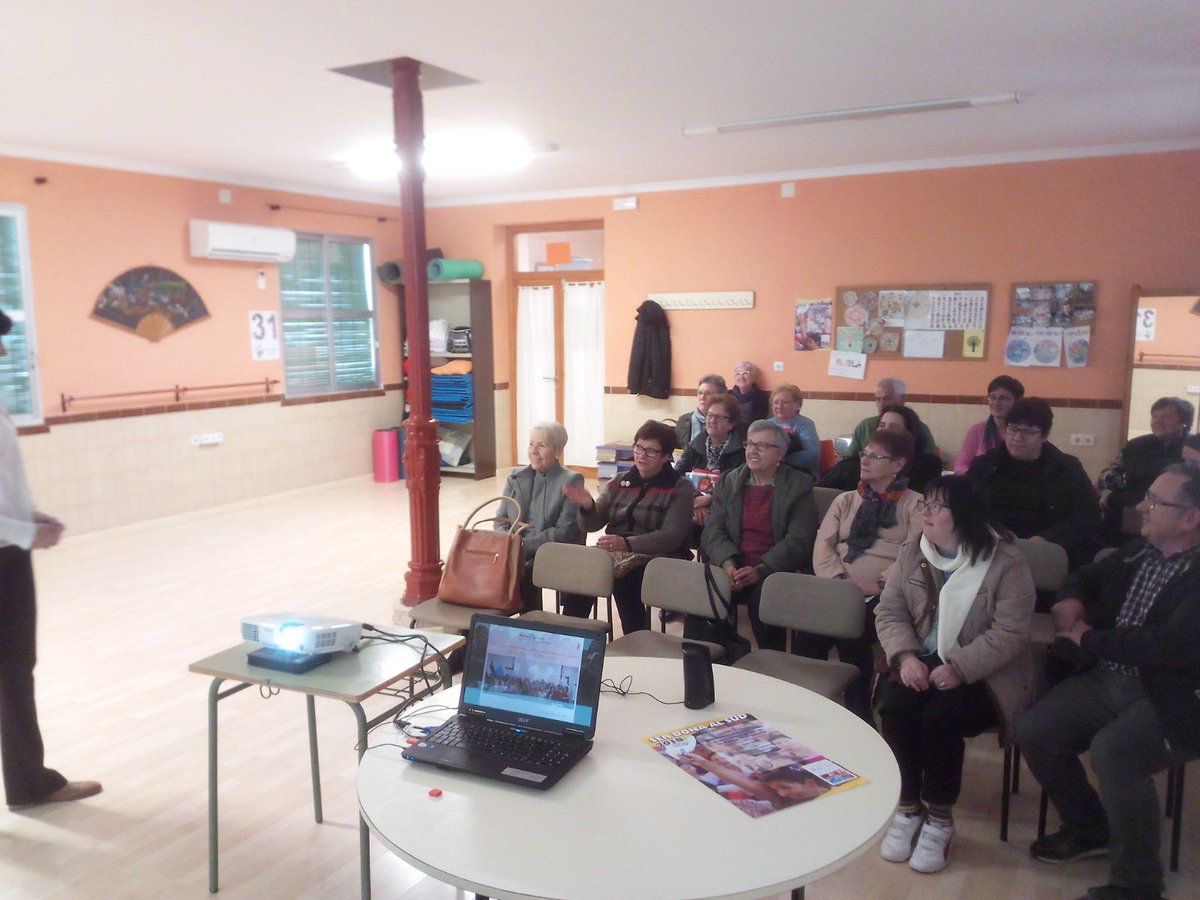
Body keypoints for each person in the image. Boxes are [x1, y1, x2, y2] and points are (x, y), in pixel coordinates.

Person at [1014, 464, 1200, 900]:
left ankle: (1139, 885)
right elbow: (1086, 573)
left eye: (1155, 501)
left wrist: (1091, 638)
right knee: (1033, 731)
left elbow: (1171, 646)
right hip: (1109, 677)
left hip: (1173, 694)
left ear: (1190, 519)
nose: (1141, 507)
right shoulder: (1142, 551)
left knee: (1115, 752)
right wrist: (1071, 599)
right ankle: (1090, 827)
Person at [874, 475, 1037, 874]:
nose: (924, 513)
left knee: (941, 718)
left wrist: (961, 668)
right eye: (924, 504)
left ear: (963, 516)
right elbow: (889, 609)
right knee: (895, 707)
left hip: (986, 670)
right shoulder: (916, 550)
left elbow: (1011, 632)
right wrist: (906, 656)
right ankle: (909, 806)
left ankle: (941, 819)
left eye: (936, 507)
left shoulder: (1006, 560)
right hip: (924, 658)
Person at [0, 310, 101, 810]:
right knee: (12, 669)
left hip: (9, 552)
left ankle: (27, 782)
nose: (2, 353)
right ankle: (27, 781)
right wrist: (22, 531)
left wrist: (28, 516)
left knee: (15, 669)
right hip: (4, 553)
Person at [807, 428, 924, 721]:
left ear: (898, 465)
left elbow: (913, 552)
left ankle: (858, 711)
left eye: (876, 455)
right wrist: (839, 581)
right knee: (809, 628)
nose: (865, 460)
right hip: (837, 587)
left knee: (852, 627)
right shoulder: (846, 500)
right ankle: (810, 702)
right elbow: (823, 545)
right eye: (864, 453)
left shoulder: (915, 504)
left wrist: (879, 583)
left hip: (885, 592)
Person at [699, 420, 819, 650]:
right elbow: (713, 530)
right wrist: (727, 564)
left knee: (763, 605)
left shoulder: (798, 485)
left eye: (761, 446)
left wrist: (761, 570)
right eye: (750, 443)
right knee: (701, 601)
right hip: (732, 566)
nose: (752, 450)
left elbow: (799, 540)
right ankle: (713, 663)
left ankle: (771, 665)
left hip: (774, 570)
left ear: (780, 455)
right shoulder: (729, 480)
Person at [566, 420, 693, 634]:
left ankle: (636, 641)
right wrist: (587, 506)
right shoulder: (619, 481)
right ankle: (571, 636)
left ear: (665, 456)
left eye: (651, 451)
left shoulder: (680, 487)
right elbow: (592, 524)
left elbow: (671, 536)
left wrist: (626, 543)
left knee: (626, 579)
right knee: (584, 568)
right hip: (617, 553)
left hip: (660, 556)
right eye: (638, 447)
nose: (641, 455)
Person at [967, 397, 1100, 574]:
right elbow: (965, 506)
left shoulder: (1066, 468)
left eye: (1028, 432)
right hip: (990, 548)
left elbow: (1088, 513)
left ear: (1044, 436)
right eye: (1012, 429)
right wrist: (994, 532)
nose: (1017, 438)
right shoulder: (984, 465)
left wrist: (1045, 539)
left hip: (1045, 552)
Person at [496, 422, 586, 613]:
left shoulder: (571, 480)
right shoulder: (515, 477)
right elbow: (500, 520)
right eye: (531, 444)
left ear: (558, 451)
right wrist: (509, 543)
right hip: (514, 549)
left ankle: (532, 624)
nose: (533, 451)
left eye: (542, 445)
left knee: (526, 568)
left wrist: (521, 547)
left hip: (554, 551)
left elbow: (564, 532)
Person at [1097, 396, 1194, 546]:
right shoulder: (1136, 445)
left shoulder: (1192, 449)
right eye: (1154, 416)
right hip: (1124, 514)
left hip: (1170, 518)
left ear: (1185, 421)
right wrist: (1121, 480)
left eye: (1166, 417)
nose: (1157, 421)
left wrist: (1134, 478)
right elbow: (1108, 474)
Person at [819, 405, 942, 494]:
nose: (884, 430)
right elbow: (820, 493)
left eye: (893, 427)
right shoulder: (852, 466)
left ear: (910, 433)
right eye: (881, 425)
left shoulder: (928, 465)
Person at [675, 393, 745, 526]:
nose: (712, 420)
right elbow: (676, 475)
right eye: (710, 415)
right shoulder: (694, 446)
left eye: (719, 417)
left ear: (731, 424)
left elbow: (738, 487)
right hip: (693, 505)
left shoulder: (741, 451)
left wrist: (711, 499)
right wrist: (696, 500)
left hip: (725, 509)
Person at [844, 377, 938, 458]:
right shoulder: (866, 426)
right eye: (878, 399)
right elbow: (849, 459)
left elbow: (930, 463)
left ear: (903, 399)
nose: (881, 404)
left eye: (887, 399)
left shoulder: (920, 428)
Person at [952, 375, 1026, 474]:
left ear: (1017, 401)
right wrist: (974, 477)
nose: (996, 402)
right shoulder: (977, 429)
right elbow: (960, 465)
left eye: (1003, 398)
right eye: (992, 397)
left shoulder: (1024, 432)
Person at [768, 384, 820, 474]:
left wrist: (780, 459)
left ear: (798, 405)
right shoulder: (767, 424)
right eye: (775, 402)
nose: (779, 406)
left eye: (784, 402)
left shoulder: (805, 424)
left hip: (798, 473)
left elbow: (813, 456)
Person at [675, 374, 727, 451]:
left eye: (708, 393)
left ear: (720, 396)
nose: (702, 397)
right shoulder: (683, 420)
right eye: (700, 393)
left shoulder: (725, 421)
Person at [730, 361, 769, 428]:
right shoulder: (728, 396)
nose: (741, 377)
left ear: (753, 377)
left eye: (745, 373)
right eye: (738, 374)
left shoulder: (761, 398)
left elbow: (758, 424)